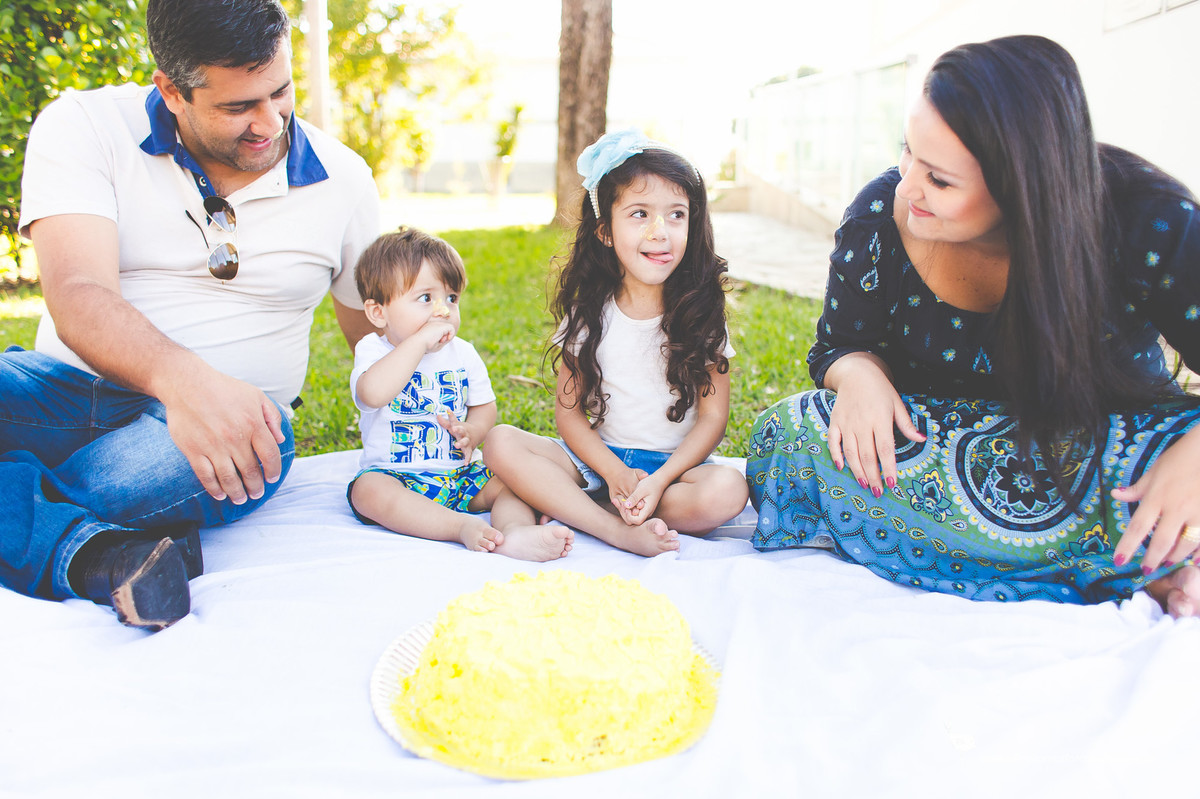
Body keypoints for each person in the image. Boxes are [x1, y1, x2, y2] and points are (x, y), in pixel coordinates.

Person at [746, 35, 1200, 616]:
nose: (907, 188)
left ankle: (1128, 554)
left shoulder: (1148, 217)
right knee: (791, 435)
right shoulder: (879, 214)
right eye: (907, 152)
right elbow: (840, 344)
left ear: (1022, 188)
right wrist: (859, 378)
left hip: (1108, 455)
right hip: (936, 453)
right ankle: (1140, 568)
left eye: (939, 180)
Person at [1, 0, 381, 630]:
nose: (269, 123)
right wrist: (186, 382)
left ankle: (54, 531)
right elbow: (76, 292)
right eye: (238, 107)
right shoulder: (85, 124)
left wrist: (453, 430)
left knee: (263, 436)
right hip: (64, 395)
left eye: (280, 92)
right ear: (171, 90)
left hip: (211, 441)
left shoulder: (344, 179)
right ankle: (95, 551)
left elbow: (376, 339)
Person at [484, 130, 749, 557]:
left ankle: (582, 508)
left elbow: (713, 418)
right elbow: (568, 417)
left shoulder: (703, 317)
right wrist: (613, 471)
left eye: (676, 215)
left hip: (676, 475)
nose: (660, 232)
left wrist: (659, 480)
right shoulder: (589, 315)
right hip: (597, 463)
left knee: (728, 491)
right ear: (606, 232)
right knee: (500, 441)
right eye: (640, 214)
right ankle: (616, 528)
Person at [347, 227, 574, 561]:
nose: (443, 311)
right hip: (396, 476)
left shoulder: (462, 353)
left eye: (451, 298)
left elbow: (484, 407)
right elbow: (372, 394)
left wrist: (473, 431)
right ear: (378, 312)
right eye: (426, 298)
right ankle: (459, 527)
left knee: (516, 483)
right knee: (368, 493)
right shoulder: (373, 350)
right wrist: (419, 343)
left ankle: (513, 533)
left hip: (460, 475)